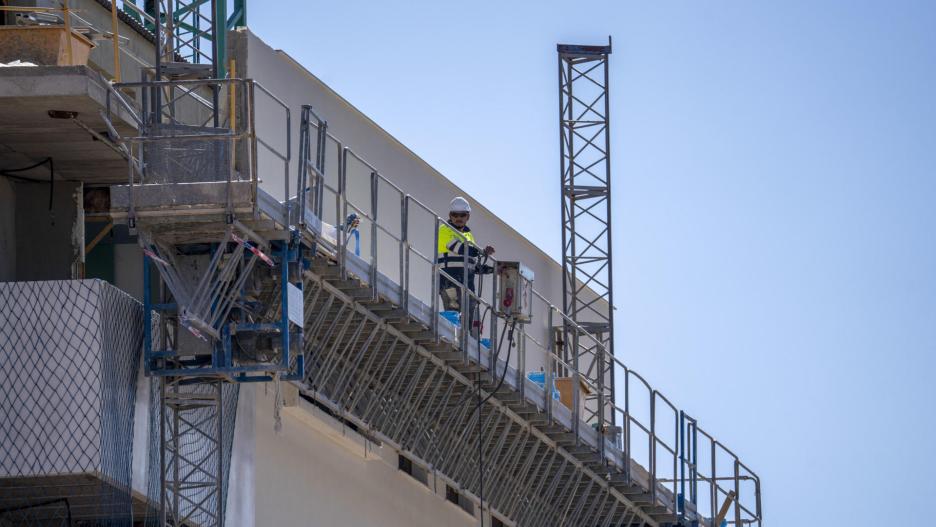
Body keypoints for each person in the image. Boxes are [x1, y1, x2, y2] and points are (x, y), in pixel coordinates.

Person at [437, 197, 495, 320]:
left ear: (468, 216)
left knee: (467, 325)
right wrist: (482, 252)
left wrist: (494, 270)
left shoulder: (468, 236)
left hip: (466, 287)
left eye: (462, 215)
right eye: (455, 214)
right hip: (450, 283)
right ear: (450, 215)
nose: (458, 218)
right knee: (455, 322)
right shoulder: (444, 230)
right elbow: (459, 248)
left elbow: (472, 265)